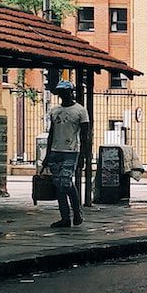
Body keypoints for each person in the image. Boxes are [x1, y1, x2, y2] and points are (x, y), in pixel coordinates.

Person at [42, 79, 89, 229]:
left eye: (65, 92)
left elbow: (85, 134)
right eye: (60, 92)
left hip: (71, 151)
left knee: (65, 183)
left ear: (71, 92)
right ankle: (65, 217)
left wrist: (83, 155)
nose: (63, 95)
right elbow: (51, 133)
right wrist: (47, 154)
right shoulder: (55, 111)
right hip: (55, 151)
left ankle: (76, 211)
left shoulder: (80, 111)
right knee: (59, 186)